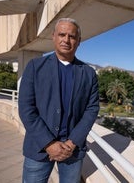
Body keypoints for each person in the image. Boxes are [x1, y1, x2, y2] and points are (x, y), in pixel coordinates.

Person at [18, 18, 100, 183]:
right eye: (62, 34)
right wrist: (49, 144)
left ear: (78, 41)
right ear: (54, 37)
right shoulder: (35, 67)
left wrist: (72, 142)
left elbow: (91, 109)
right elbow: (26, 109)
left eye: (72, 36)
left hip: (73, 150)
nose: (66, 40)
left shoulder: (88, 73)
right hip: (39, 148)